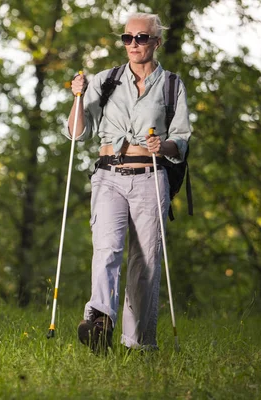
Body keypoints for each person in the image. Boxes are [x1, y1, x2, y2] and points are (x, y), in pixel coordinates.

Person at [66, 12, 191, 352]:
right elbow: (78, 132)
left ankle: (138, 344)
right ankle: (99, 320)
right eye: (127, 38)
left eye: (142, 38)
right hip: (108, 176)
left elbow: (180, 141)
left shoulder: (171, 85)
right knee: (106, 250)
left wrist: (161, 145)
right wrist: (77, 97)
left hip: (151, 178)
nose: (133, 44)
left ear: (156, 42)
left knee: (145, 263)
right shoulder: (105, 80)